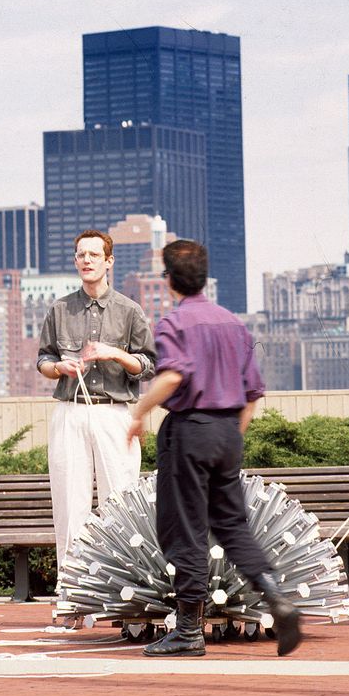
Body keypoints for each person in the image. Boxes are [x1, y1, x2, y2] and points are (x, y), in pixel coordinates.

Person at [127, 239, 300, 658]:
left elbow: (171, 377)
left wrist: (139, 412)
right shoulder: (232, 323)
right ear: (204, 278)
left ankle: (188, 631)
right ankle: (275, 594)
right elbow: (254, 393)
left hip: (188, 431)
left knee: (184, 530)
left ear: (168, 280)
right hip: (226, 432)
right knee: (233, 526)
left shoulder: (175, 323)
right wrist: (231, 435)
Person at [36, 228, 155, 623]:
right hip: (70, 410)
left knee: (120, 504)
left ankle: (127, 600)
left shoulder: (129, 310)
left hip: (114, 413)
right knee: (69, 506)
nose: (86, 260)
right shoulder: (58, 310)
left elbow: (148, 365)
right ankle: (73, 599)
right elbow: (43, 361)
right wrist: (60, 368)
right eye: (80, 255)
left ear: (109, 261)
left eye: (93, 254)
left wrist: (114, 353)